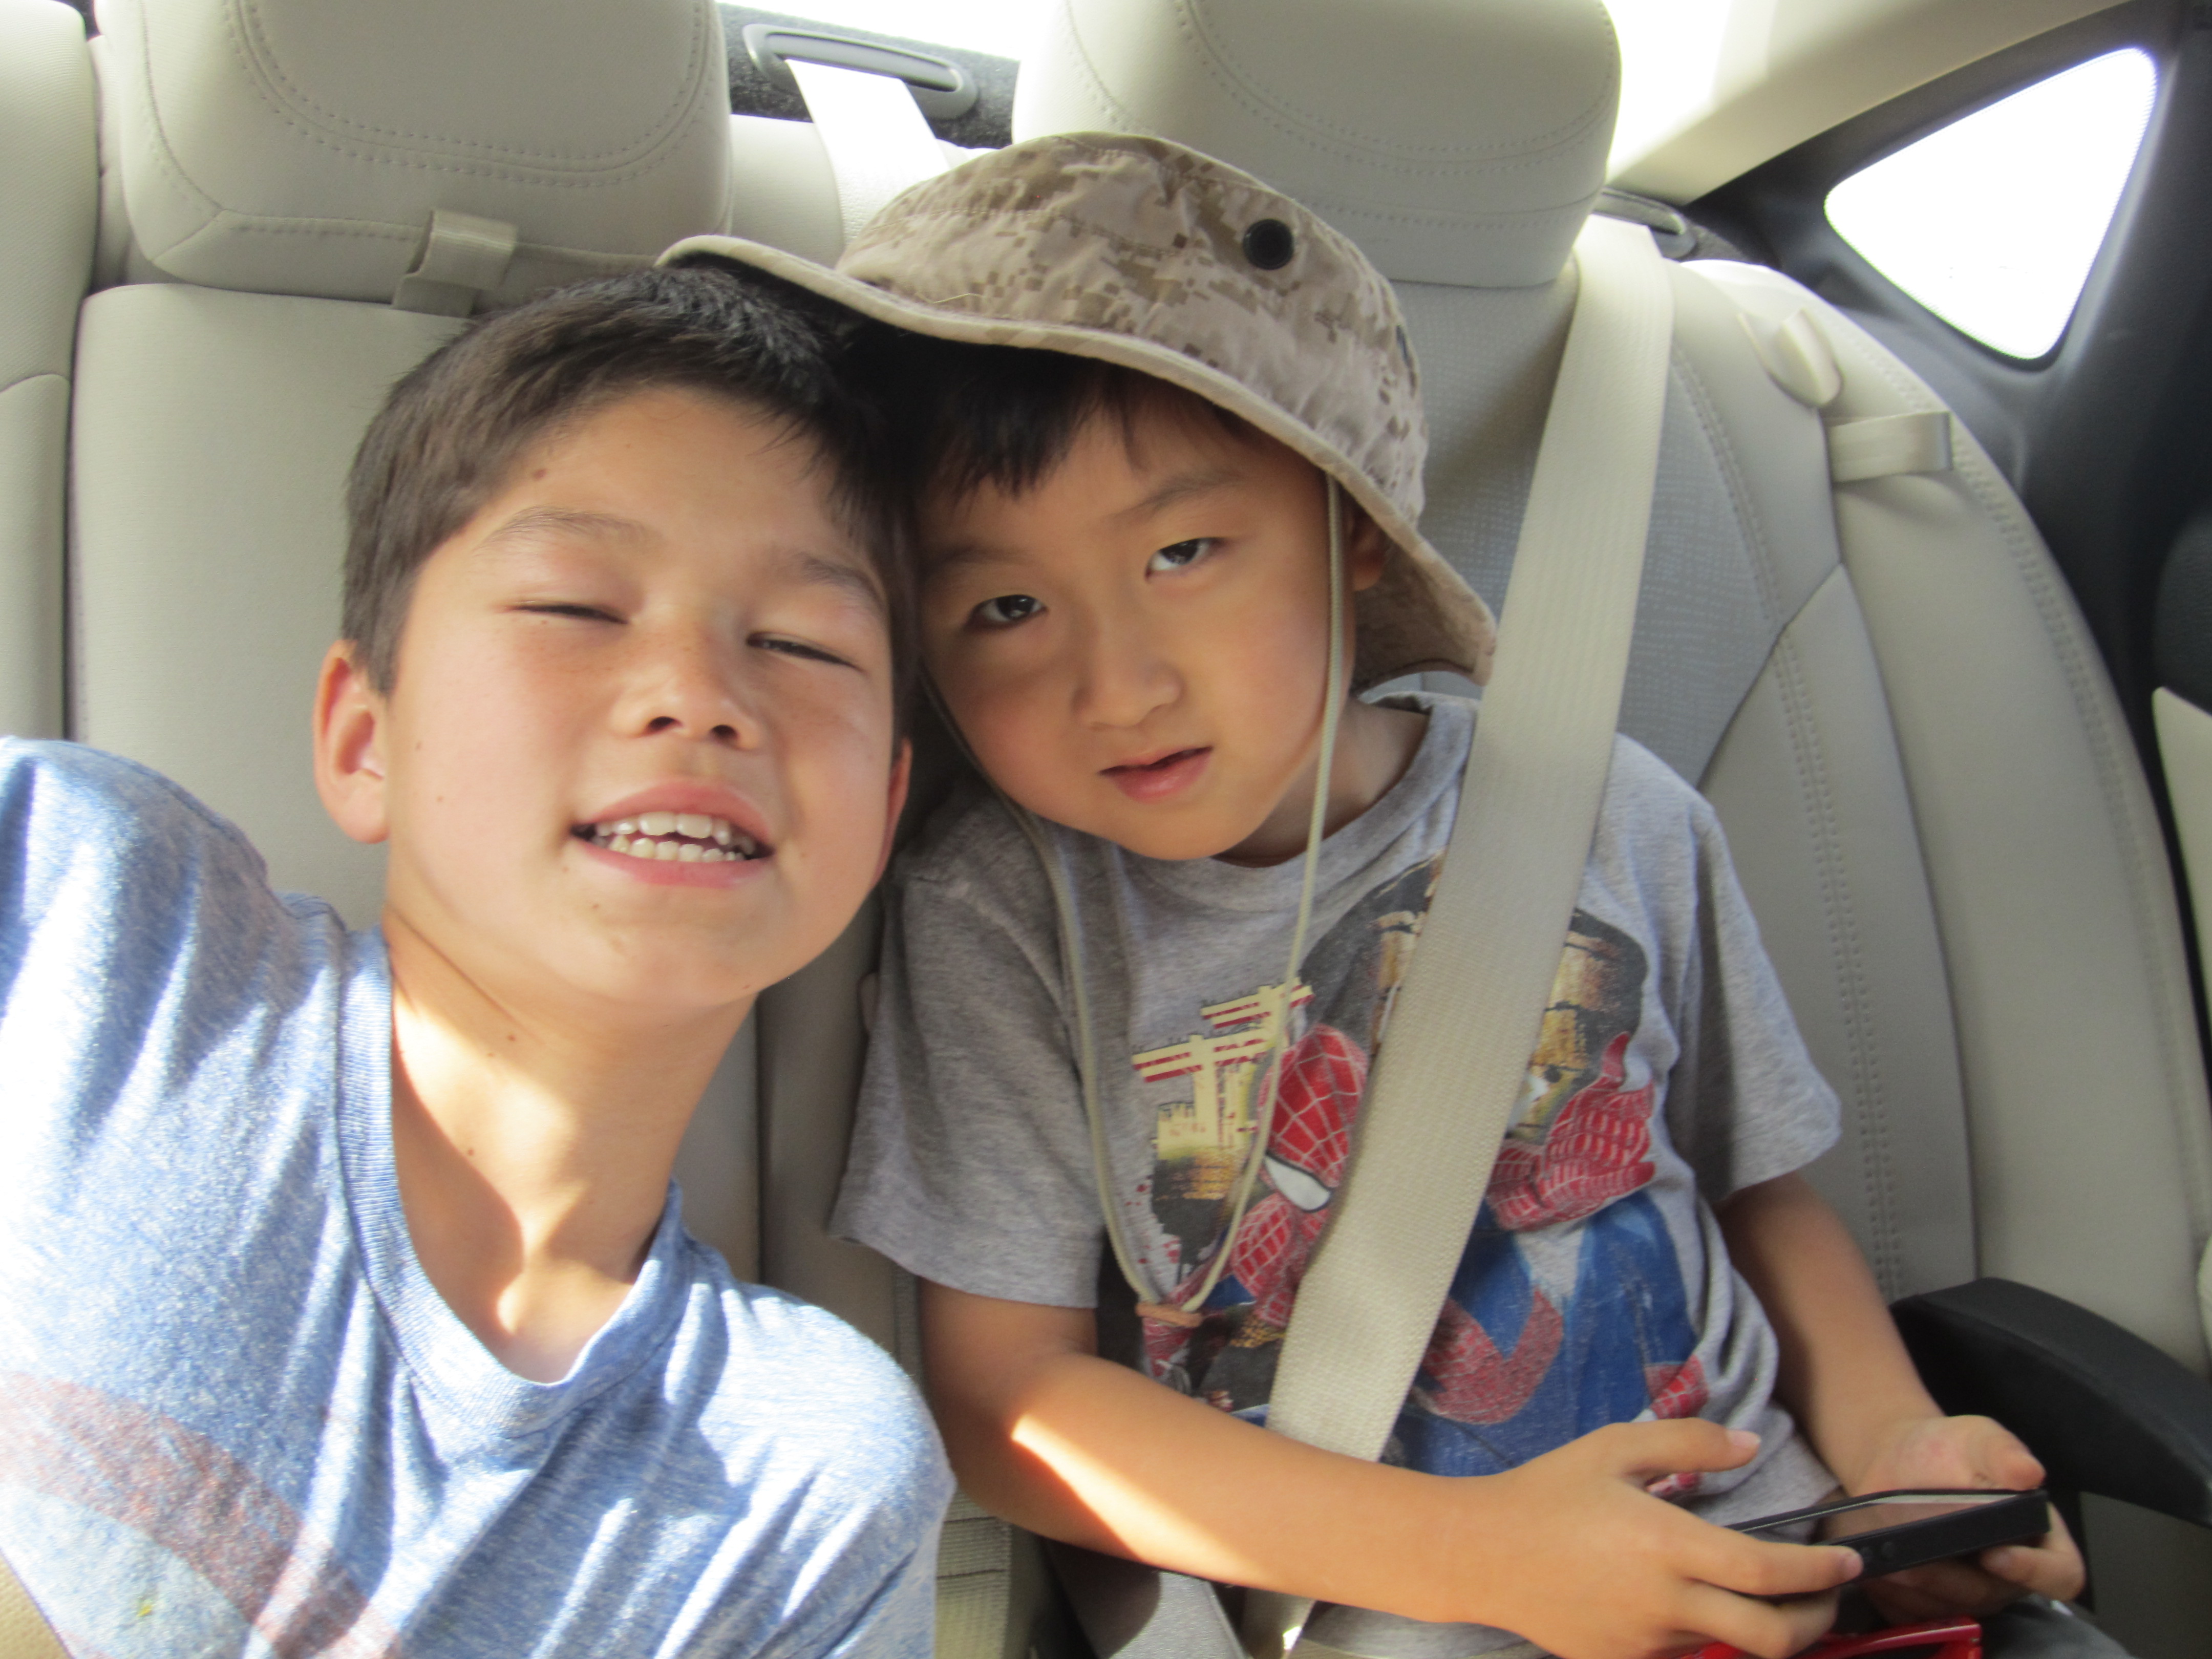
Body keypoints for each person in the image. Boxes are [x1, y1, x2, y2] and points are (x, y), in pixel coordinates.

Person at [661, 134, 2115, 1659]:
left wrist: (1893, 1448)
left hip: (1773, 1562)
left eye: (1184, 552)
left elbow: (1755, 1189)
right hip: (1372, 1606)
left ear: (1353, 533)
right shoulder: (1005, 917)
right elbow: (1007, 1401)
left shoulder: (1608, 814)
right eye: (1005, 607)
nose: (1118, 684)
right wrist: (1481, 1559)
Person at [0, 265, 950, 1657]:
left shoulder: (808, 1479)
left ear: (883, 814)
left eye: (800, 643)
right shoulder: (78, 901)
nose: (701, 695)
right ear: (364, 738)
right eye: (576, 609)